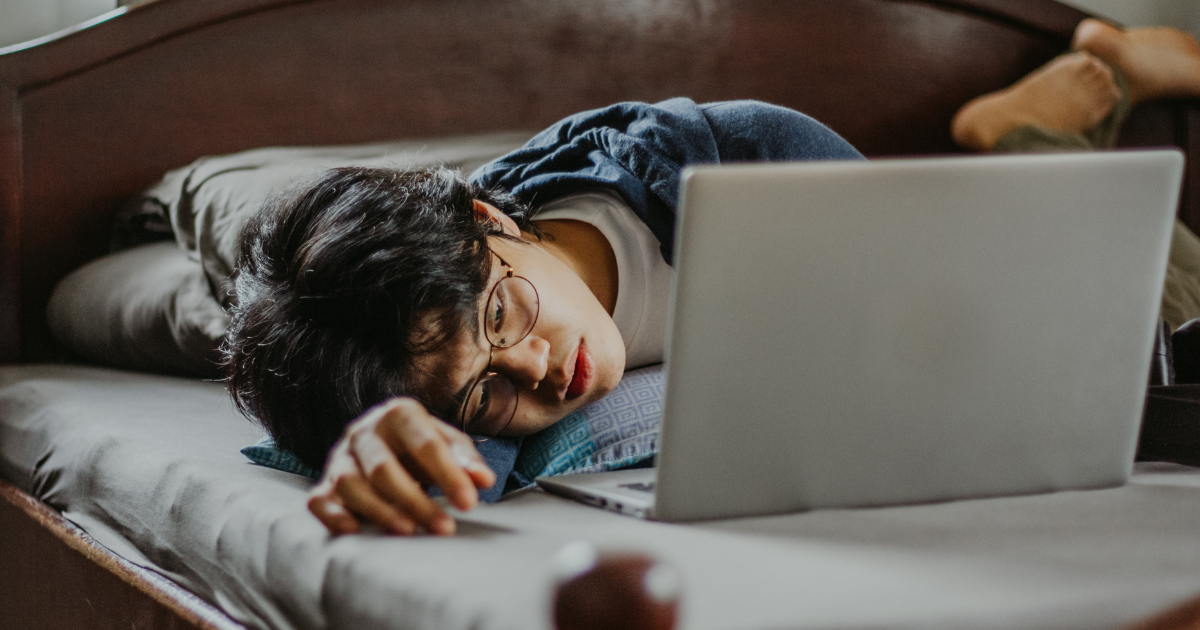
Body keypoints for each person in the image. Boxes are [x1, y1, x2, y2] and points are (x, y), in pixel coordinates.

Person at [223, 18, 1200, 537]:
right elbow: (463, 456)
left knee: (1164, 301)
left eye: (506, 312)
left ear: (491, 219)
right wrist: (377, 443)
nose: (537, 370)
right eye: (485, 391)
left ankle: (1042, 126)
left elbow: (951, 313)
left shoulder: (750, 155)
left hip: (990, 257)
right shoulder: (416, 349)